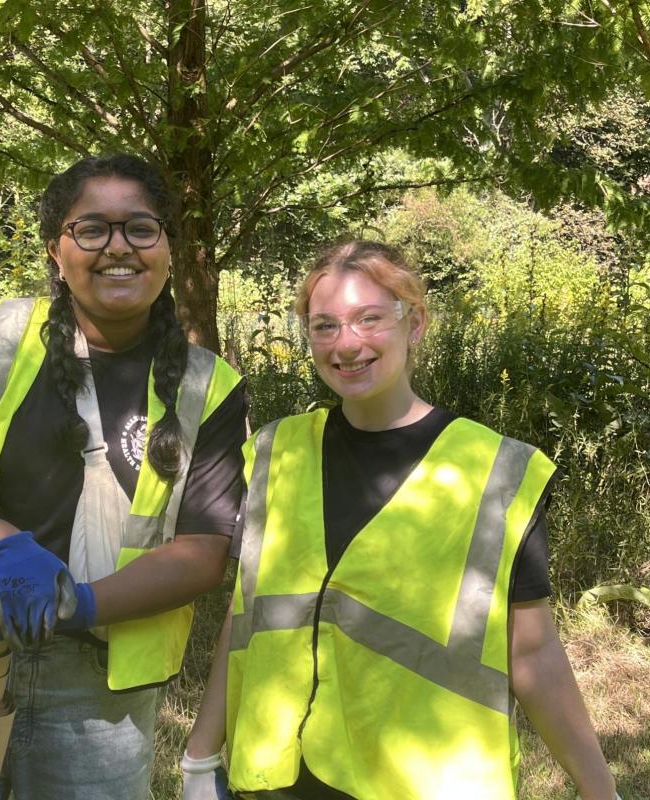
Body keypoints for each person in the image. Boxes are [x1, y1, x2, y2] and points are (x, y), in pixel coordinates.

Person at [181, 240, 619, 800]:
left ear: (415, 325)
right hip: (280, 779)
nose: (347, 344)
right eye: (325, 326)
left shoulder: (496, 472)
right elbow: (246, 617)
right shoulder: (276, 453)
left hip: (429, 782)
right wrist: (199, 756)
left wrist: (600, 789)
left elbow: (531, 652)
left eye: (369, 319)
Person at [0, 153, 247, 799]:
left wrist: (75, 606)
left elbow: (203, 555)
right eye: (92, 229)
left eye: (141, 228)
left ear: (168, 248)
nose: (119, 247)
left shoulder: (209, 387)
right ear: (56, 250)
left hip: (100, 690)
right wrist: (2, 544)